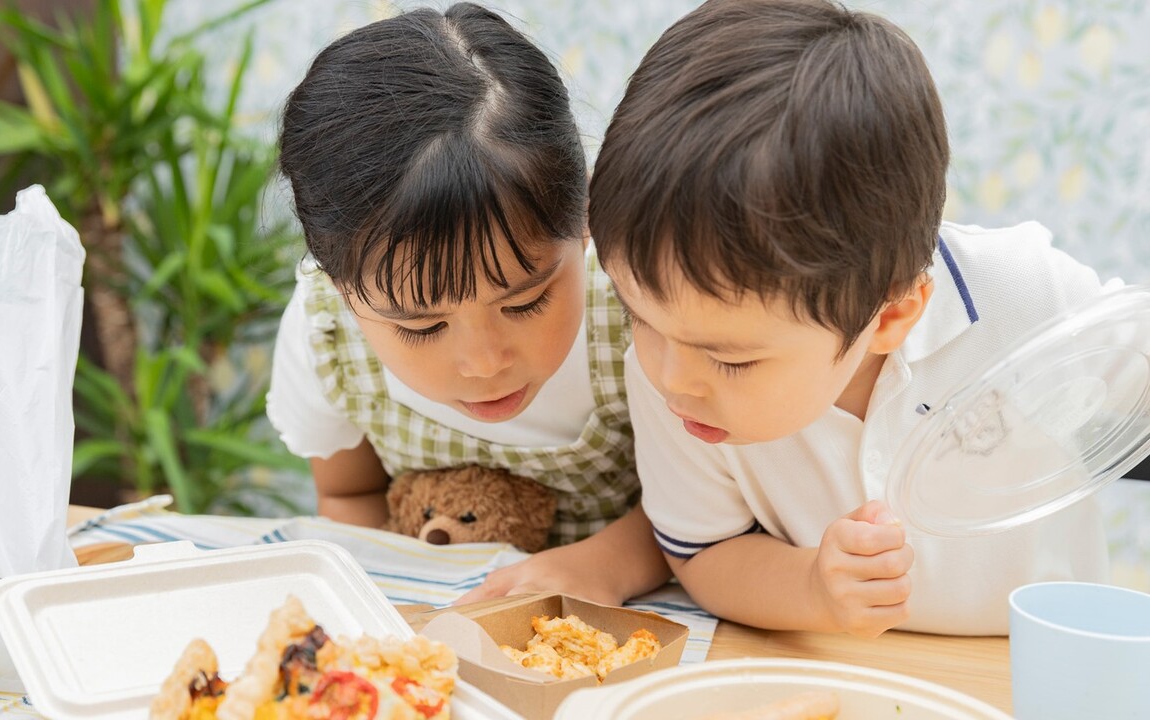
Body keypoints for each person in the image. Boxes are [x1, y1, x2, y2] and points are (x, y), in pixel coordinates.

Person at [587, 0, 1115, 636]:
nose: (669, 375)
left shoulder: (1026, 297)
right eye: (636, 315)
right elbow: (704, 552)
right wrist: (812, 588)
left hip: (1043, 668)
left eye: (731, 359)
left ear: (891, 314)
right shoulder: (680, 371)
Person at [268, 2, 668, 604]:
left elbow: (719, 501)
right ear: (339, 285)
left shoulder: (643, 308)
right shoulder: (327, 336)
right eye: (424, 326)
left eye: (526, 302)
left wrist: (609, 566)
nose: (484, 362)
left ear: (585, 215)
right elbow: (350, 498)